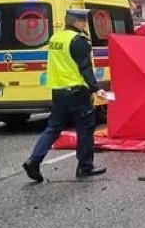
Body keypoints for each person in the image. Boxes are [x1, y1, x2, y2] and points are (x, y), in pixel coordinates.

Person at [23, 9, 108, 182]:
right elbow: (84, 67)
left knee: (53, 128)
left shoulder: (55, 38)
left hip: (58, 91)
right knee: (85, 129)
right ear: (76, 22)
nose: (85, 24)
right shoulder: (79, 40)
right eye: (83, 21)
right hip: (77, 92)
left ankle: (34, 160)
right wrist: (95, 88)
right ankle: (85, 167)